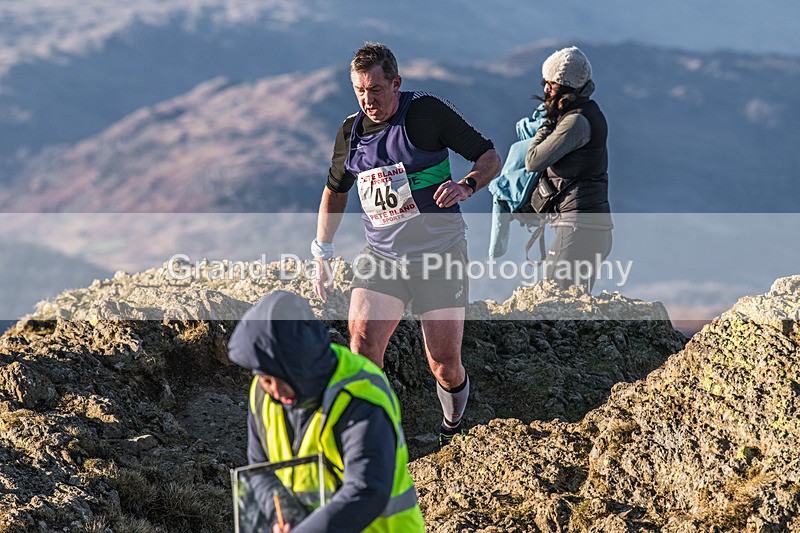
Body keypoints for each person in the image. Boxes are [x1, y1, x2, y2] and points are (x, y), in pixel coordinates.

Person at [311, 42, 501, 446]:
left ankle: (451, 427)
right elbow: (335, 191)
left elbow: (488, 155)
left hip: (439, 255)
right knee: (362, 344)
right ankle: (377, 438)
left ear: (396, 83)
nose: (368, 100)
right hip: (382, 257)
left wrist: (467, 185)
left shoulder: (426, 113)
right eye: (360, 91)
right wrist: (322, 252)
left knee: (444, 364)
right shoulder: (351, 132)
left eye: (376, 90)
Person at [228, 290, 425, 532]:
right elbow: (260, 471)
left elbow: (366, 490)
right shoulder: (262, 395)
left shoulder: (360, 395)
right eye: (265, 379)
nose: (274, 390)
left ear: (298, 364)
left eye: (278, 377)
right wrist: (286, 515)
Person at [524, 46, 613, 291]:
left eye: (549, 85)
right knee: (575, 307)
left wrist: (546, 122)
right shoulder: (590, 113)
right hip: (594, 228)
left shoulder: (575, 122)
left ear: (565, 86)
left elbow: (533, 160)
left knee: (552, 299)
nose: (544, 90)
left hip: (578, 229)